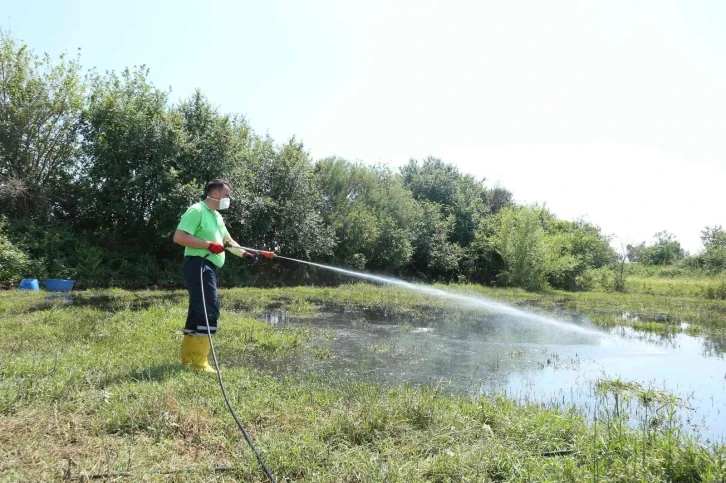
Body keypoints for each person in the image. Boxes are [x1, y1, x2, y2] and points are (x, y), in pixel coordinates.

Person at [173, 179, 254, 372]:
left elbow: (228, 241)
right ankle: (200, 363)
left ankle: (188, 360)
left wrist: (245, 253)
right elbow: (179, 237)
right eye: (227, 195)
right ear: (216, 194)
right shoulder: (197, 210)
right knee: (209, 310)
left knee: (197, 310)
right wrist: (208, 245)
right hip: (199, 264)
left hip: (209, 267)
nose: (229, 199)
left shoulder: (217, 216)